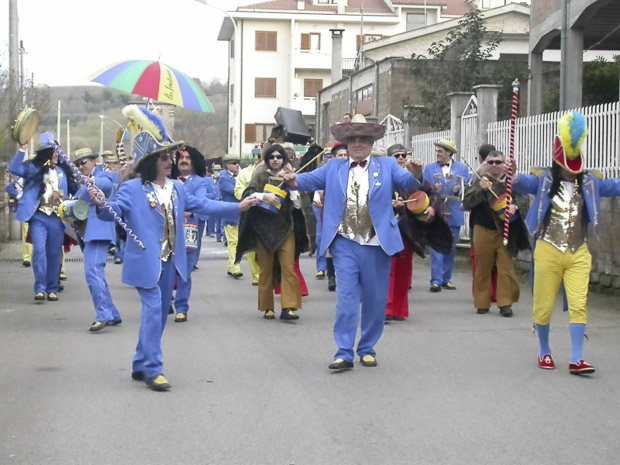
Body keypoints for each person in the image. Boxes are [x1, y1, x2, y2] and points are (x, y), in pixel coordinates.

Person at [89, 135, 259, 391]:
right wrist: (101, 204)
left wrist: (238, 207)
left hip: (171, 261)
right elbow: (112, 211)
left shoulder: (177, 188)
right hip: (146, 261)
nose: (170, 161)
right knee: (153, 310)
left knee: (159, 315)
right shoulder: (132, 188)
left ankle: (140, 361)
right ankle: (153, 368)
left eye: (170, 156)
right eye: (163, 157)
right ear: (150, 162)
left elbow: (202, 204)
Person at [282, 114, 426, 370]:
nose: (358, 144)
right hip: (344, 242)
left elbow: (408, 182)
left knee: (375, 300)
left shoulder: (388, 165)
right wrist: (293, 179)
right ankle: (344, 352)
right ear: (347, 144)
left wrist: (416, 173)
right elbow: (306, 180)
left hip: (377, 243)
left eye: (363, 139)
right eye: (353, 140)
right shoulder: (333, 168)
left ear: (371, 143)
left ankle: (367, 348)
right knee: (346, 299)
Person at [513, 111, 620, 375]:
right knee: (543, 305)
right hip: (547, 249)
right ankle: (544, 350)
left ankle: (577, 358)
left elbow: (615, 186)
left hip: (578, 251)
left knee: (579, 303)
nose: (572, 172)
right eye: (567, 167)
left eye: (575, 167)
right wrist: (512, 174)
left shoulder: (591, 182)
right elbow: (522, 182)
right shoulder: (543, 180)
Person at [236, 144, 309, 321]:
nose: (275, 160)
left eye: (279, 157)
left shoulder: (290, 178)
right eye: (272, 157)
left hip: (286, 229)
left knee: (288, 268)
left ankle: (289, 307)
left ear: (284, 159)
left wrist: (293, 191)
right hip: (264, 231)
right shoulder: (261, 176)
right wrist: (263, 196)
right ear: (267, 160)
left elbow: (299, 206)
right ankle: (267, 307)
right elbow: (248, 194)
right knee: (266, 270)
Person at [9, 133, 77, 301]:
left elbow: (72, 193)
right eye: (53, 152)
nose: (56, 154)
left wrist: (62, 198)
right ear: (46, 154)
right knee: (39, 251)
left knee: (54, 253)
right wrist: (22, 149)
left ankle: (52, 288)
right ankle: (40, 288)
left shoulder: (62, 172)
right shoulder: (34, 168)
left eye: (58, 151)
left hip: (57, 218)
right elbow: (14, 169)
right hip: (38, 217)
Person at [462, 150, 529, 317]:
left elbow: (524, 200)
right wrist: (481, 190)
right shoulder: (479, 181)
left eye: (498, 162)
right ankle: (482, 303)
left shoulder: (513, 181)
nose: (494, 165)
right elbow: (466, 204)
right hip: (483, 229)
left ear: (504, 164)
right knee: (483, 268)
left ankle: (505, 303)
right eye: (490, 162)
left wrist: (515, 207)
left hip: (506, 231)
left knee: (506, 269)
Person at [72, 147, 122, 331]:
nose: (81, 166)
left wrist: (91, 181)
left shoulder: (102, 175)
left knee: (92, 272)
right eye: (78, 164)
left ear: (94, 161)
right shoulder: (82, 182)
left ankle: (103, 315)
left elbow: (106, 185)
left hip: (99, 229)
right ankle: (112, 313)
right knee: (96, 274)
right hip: (87, 232)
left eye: (83, 162)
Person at [423, 139, 469, 293]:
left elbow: (467, 189)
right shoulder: (429, 168)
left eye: (440, 151)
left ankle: (446, 278)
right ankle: (435, 280)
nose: (437, 154)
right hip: (436, 211)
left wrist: (459, 190)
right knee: (436, 245)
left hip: (454, 212)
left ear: (449, 153)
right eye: (437, 151)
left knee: (451, 247)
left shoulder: (462, 168)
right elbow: (424, 188)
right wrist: (433, 190)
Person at [172, 145, 211, 322]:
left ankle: (181, 308)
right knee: (165, 270)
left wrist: (189, 210)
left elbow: (201, 201)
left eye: (188, 158)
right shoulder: (167, 180)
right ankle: (165, 301)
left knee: (184, 272)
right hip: (167, 230)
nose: (184, 160)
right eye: (181, 157)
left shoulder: (199, 182)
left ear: (194, 162)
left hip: (189, 230)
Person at [469, 144, 498, 302]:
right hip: (485, 222)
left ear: (480, 158)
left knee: (481, 263)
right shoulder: (477, 175)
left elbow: (467, 199)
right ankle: (492, 293)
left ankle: (487, 293)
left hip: (483, 222)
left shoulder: (476, 175)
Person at [234, 149, 263, 286]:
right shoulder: (244, 173)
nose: (259, 158)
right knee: (251, 244)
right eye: (257, 155)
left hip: (268, 213)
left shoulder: (273, 172)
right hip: (250, 212)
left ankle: (267, 273)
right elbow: (238, 190)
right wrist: (249, 198)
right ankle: (257, 275)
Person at [218, 154, 243, 278]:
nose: (237, 165)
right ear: (227, 165)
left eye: (237, 162)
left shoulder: (239, 176)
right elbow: (235, 191)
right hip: (230, 213)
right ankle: (235, 267)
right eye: (234, 163)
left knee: (236, 241)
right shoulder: (223, 178)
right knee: (234, 242)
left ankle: (230, 266)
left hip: (240, 213)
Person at [5, 177, 33, 267]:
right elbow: (9, 188)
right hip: (26, 210)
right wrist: (19, 195)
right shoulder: (21, 178)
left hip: (40, 210)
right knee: (26, 233)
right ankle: (27, 258)